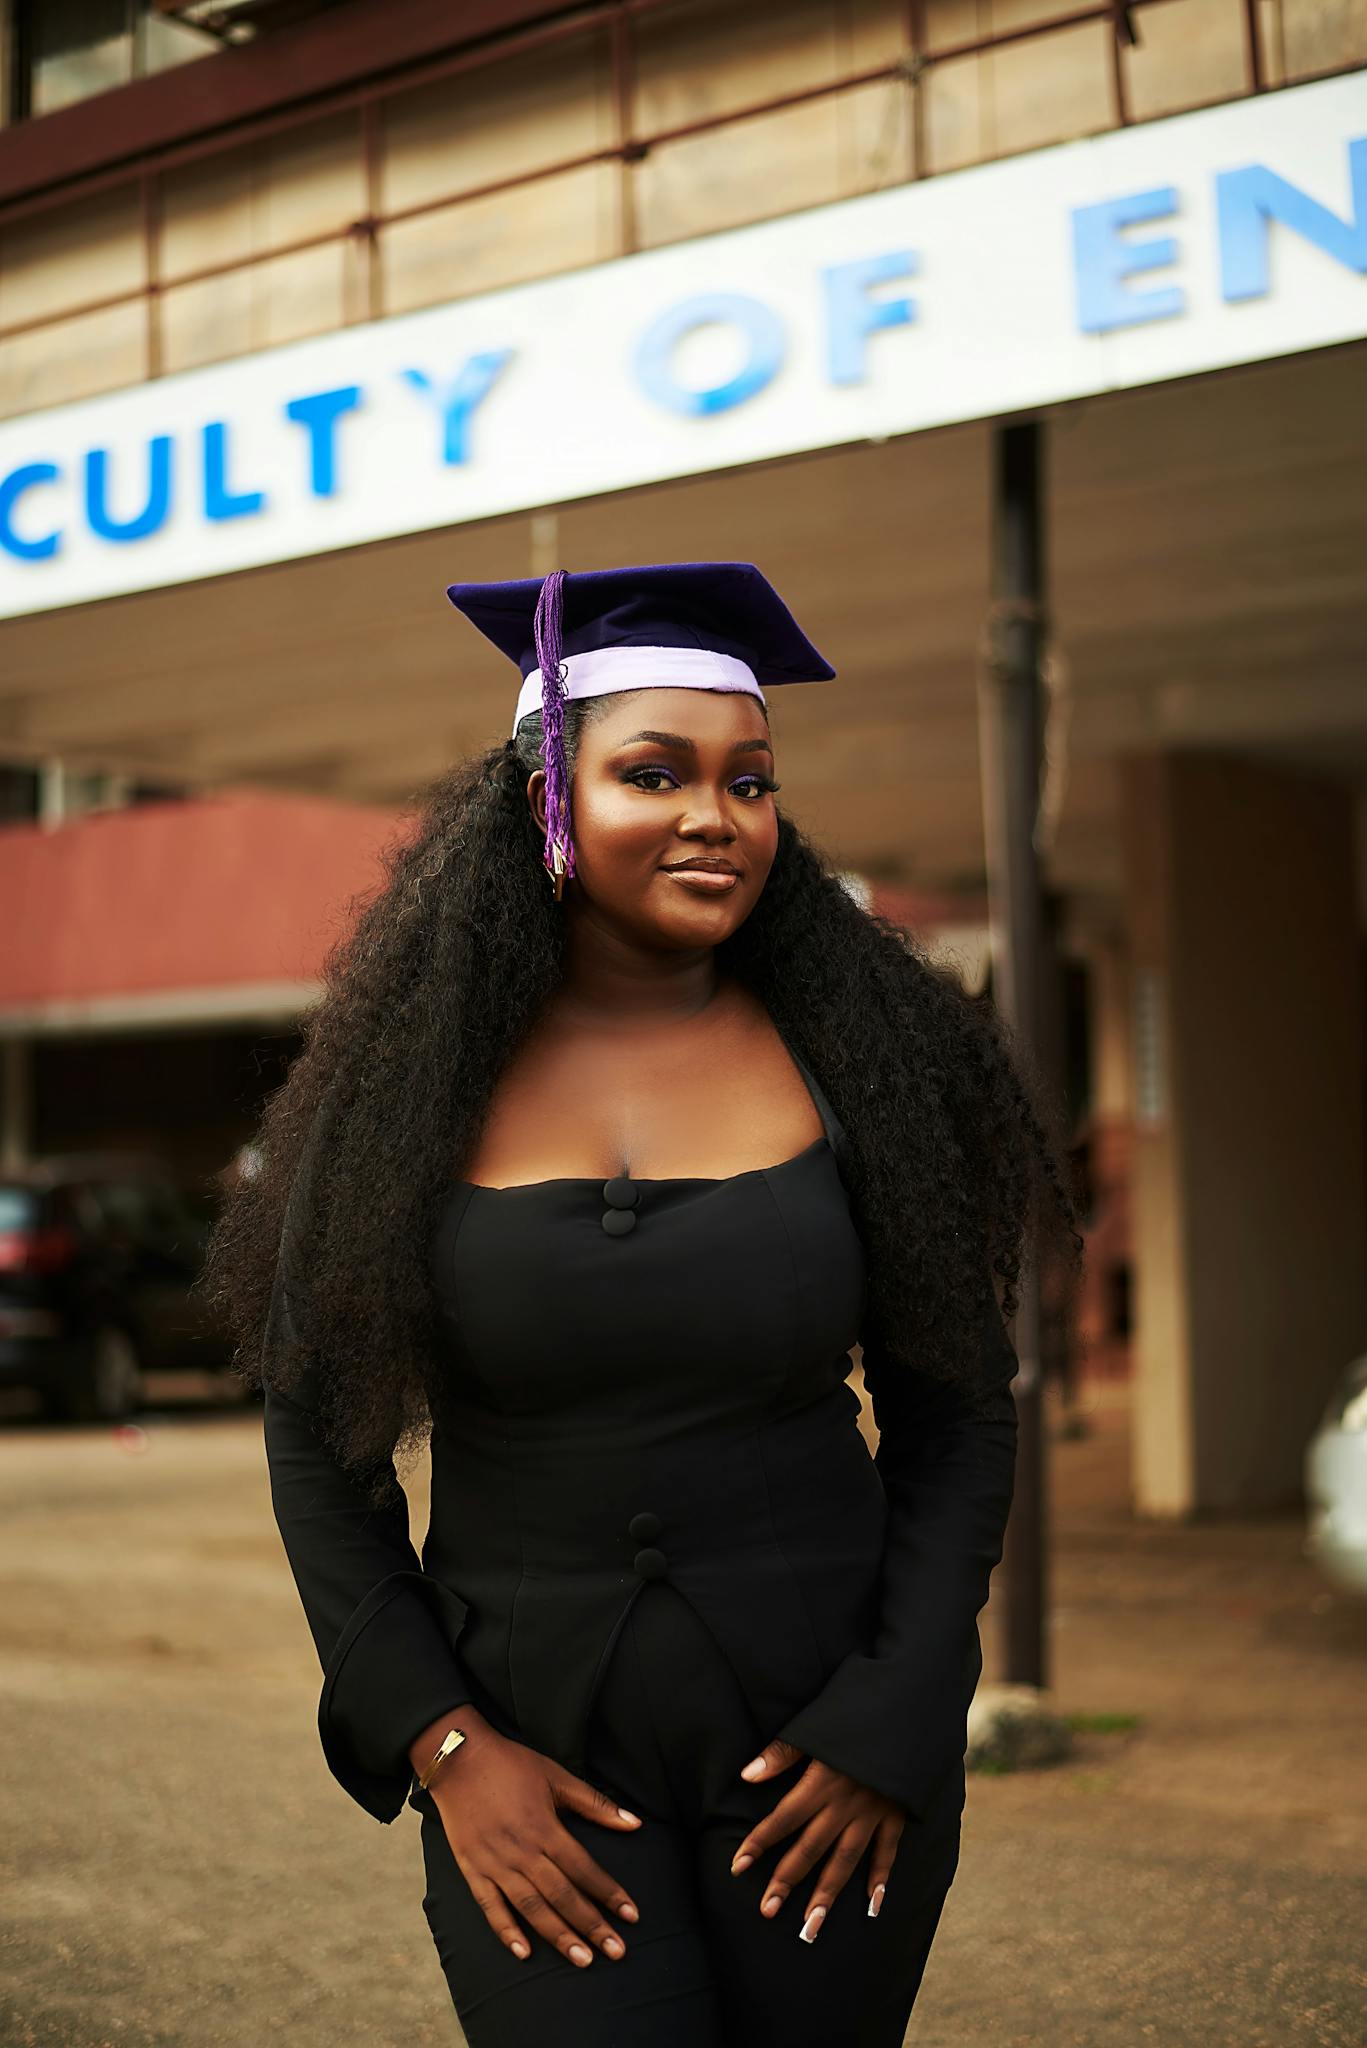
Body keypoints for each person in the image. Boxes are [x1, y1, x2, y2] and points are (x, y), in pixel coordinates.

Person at [204, 561, 1081, 2046]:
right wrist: (445, 1744)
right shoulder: (404, 1099)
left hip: (823, 1755)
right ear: (548, 799)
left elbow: (956, 1418)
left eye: (751, 781)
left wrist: (897, 1709)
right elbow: (318, 1444)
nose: (715, 816)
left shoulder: (864, 1066)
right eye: (655, 774)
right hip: (531, 1756)